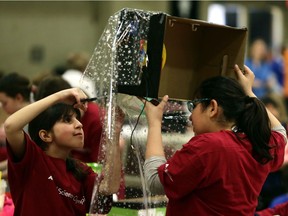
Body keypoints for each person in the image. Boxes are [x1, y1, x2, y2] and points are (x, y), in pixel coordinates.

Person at [143, 64, 287, 215]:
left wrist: (154, 122)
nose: (190, 116)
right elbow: (280, 132)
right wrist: (249, 92)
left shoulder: (208, 146)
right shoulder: (258, 143)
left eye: (194, 106)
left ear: (212, 108)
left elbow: (155, 181)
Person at [4, 87, 123, 215]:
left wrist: (114, 134)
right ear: (45, 135)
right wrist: (60, 95)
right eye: (67, 120)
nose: (79, 125)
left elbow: (110, 187)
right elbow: (11, 126)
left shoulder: (80, 170)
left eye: (78, 119)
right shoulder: (32, 160)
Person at [0, 72, 34, 180]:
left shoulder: (34, 120)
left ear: (18, 98)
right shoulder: (22, 121)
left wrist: (3, 174)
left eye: (4, 103)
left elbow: (30, 162)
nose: (3, 108)